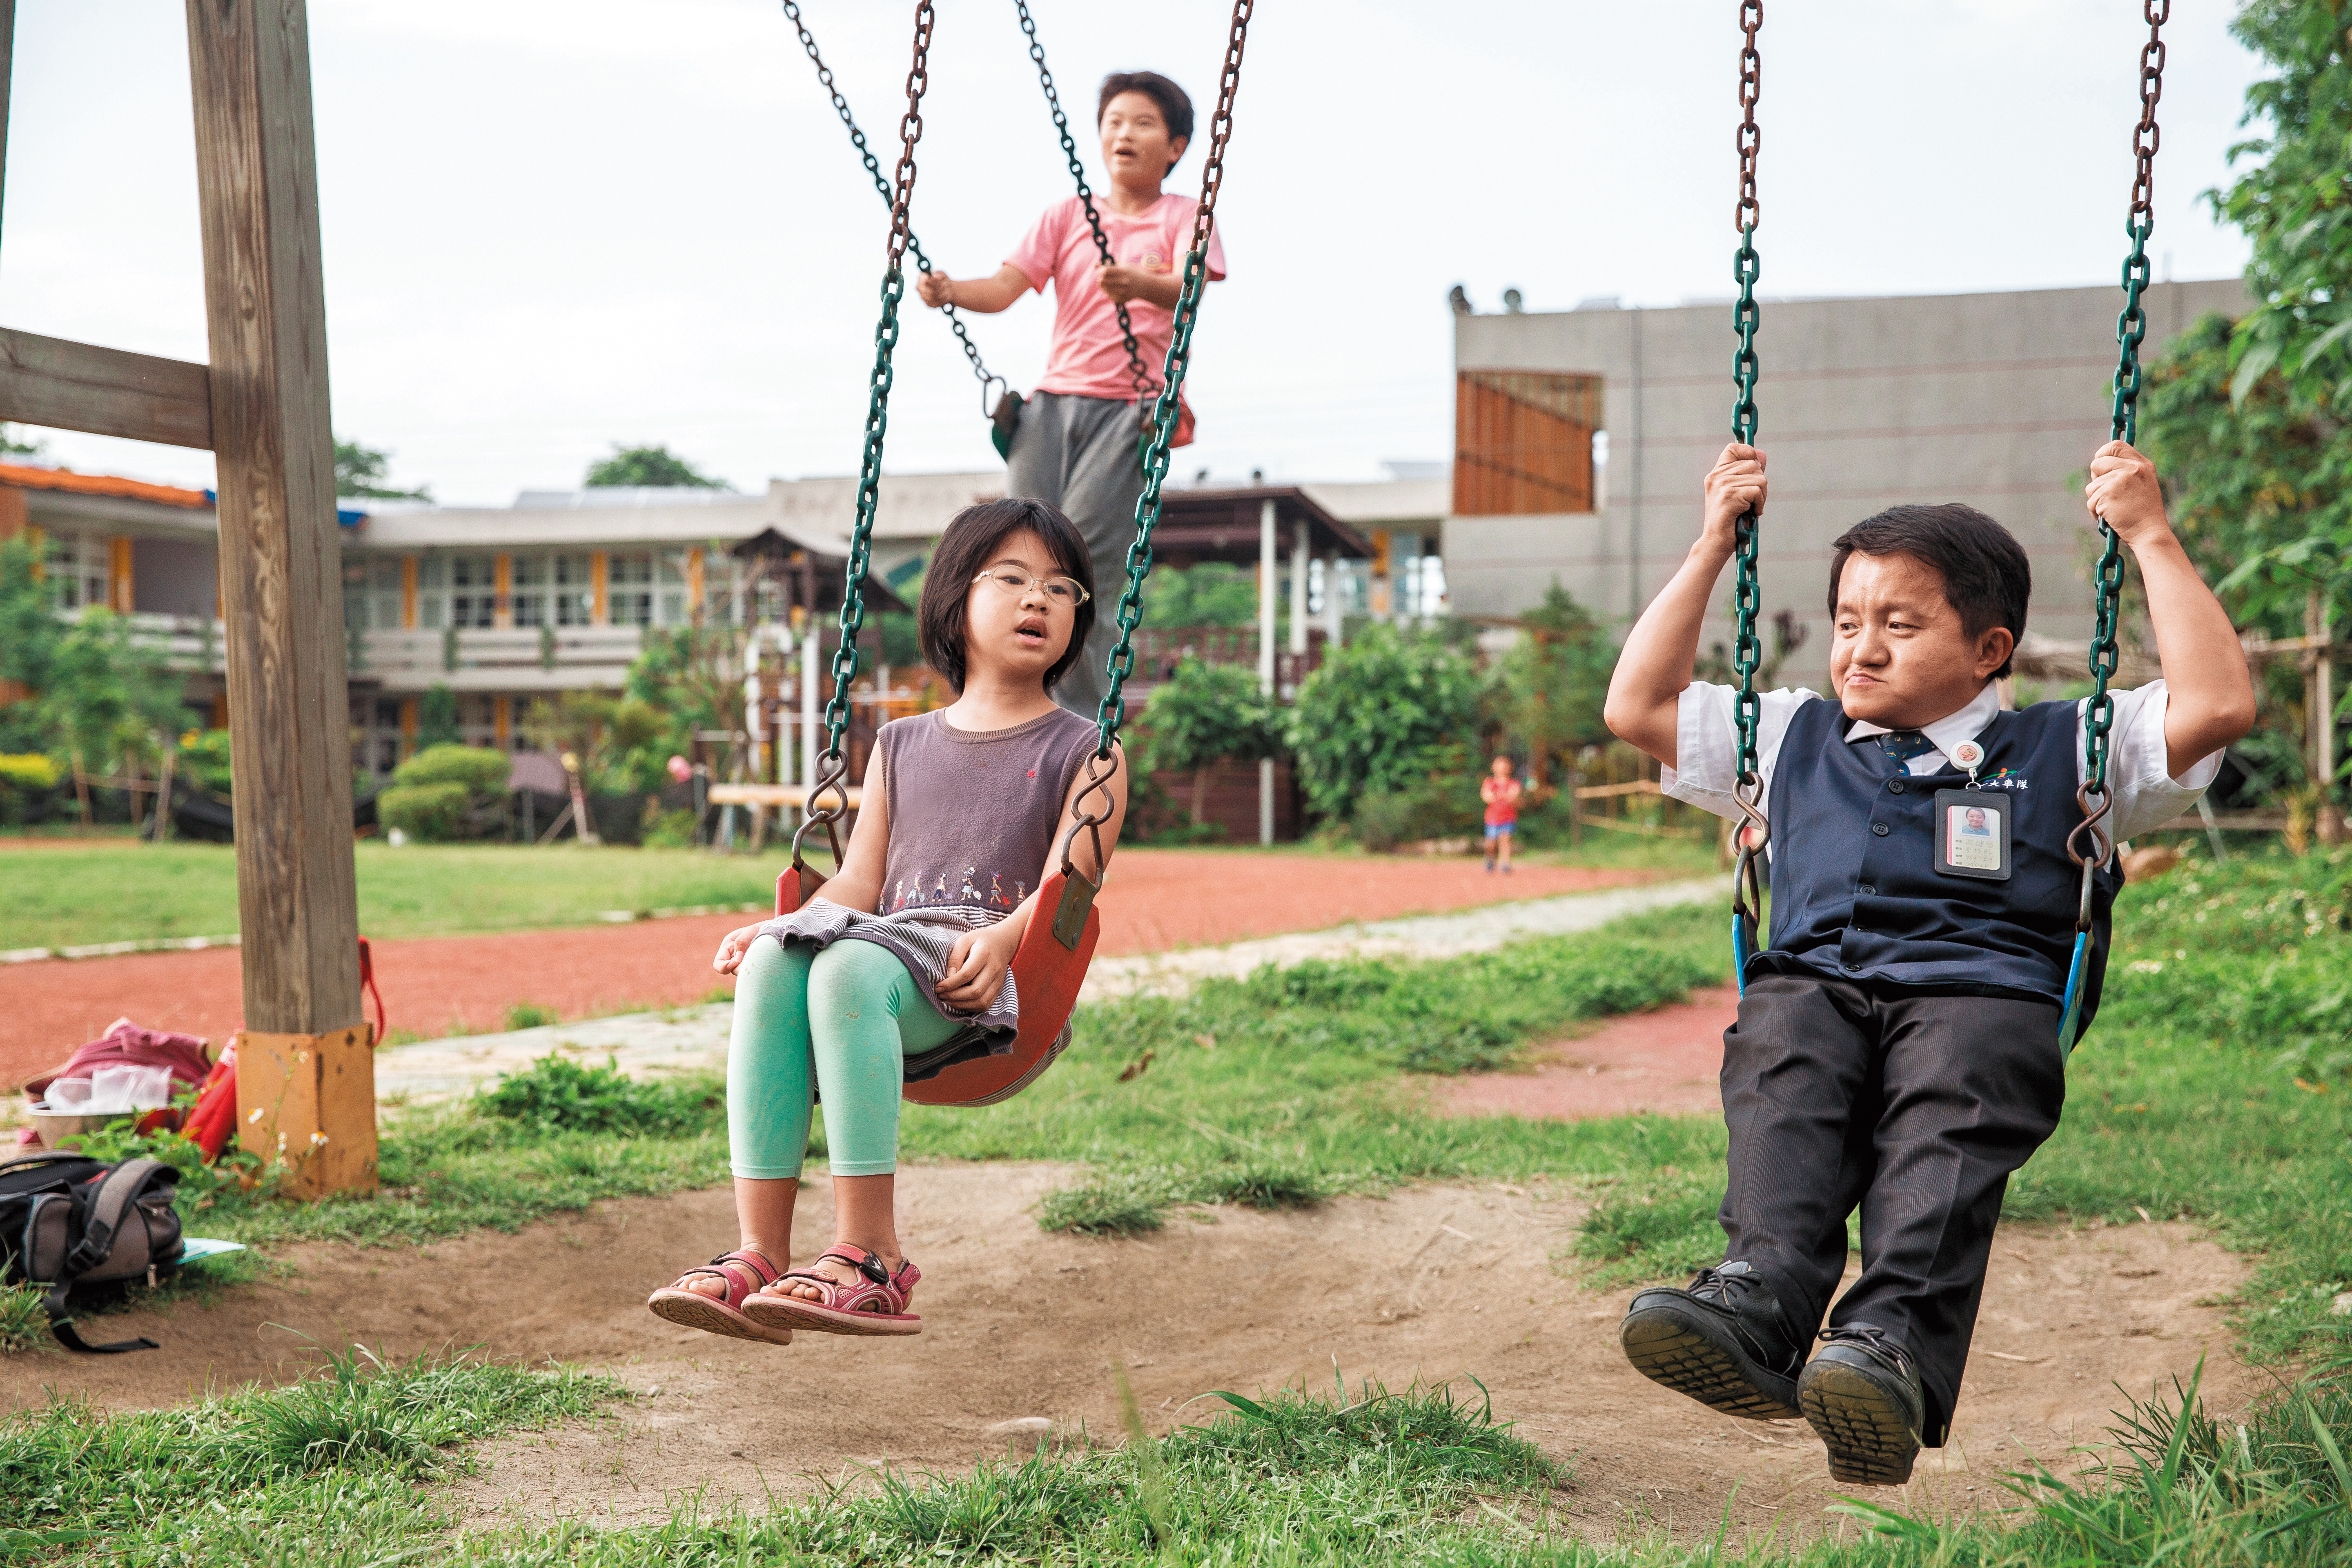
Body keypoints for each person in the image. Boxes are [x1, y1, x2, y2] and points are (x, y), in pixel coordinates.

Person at [1600, 439, 2254, 1485]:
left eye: (1898, 626)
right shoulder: (1786, 735)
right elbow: (1633, 706)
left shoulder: (2066, 748)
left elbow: (2215, 703)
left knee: (1949, 1094)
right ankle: (1757, 1301)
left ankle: (1885, 1350)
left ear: (1989, 647)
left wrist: (2148, 535)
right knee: (1783, 1052)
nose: (1858, 650)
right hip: (1816, 981)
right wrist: (1709, 544)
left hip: (1982, 994)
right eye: (1847, 624)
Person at [646, 498, 1127, 1343]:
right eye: (1012, 579)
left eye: (1063, 589)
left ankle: (871, 1254)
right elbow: (858, 883)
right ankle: (760, 1252)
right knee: (780, 962)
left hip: (987, 982)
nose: (1039, 601)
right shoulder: (902, 746)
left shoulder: (1086, 751)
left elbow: (1064, 891)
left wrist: (1000, 941)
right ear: (955, 600)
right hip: (889, 956)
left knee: (848, 967)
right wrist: (775, 929)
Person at [915, 70, 1229, 718]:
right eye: (1114, 121)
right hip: (1052, 406)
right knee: (1011, 551)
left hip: (1129, 408)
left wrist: (1141, 284)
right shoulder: (1068, 216)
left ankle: (1078, 728)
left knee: (1079, 563)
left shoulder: (1183, 216)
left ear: (1175, 146)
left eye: (1143, 123)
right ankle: (995, 704)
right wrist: (951, 291)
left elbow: (1192, 287)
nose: (1124, 134)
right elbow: (1005, 287)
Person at [1481, 755, 1523, 873]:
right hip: (1492, 818)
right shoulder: (1489, 782)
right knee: (1491, 843)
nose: (1503, 768)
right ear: (1493, 767)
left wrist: (1500, 796)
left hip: (1508, 817)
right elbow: (1487, 796)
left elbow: (1514, 796)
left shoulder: (1514, 783)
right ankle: (1490, 859)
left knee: (1506, 839)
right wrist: (1503, 796)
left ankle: (1505, 864)